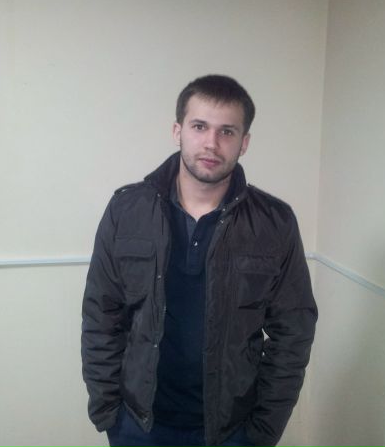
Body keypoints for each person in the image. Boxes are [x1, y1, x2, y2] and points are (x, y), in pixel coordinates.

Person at [81, 75, 317, 447]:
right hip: (138, 425)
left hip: (233, 430)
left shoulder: (274, 222)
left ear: (244, 143)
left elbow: (293, 331)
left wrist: (263, 429)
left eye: (227, 131)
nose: (211, 143)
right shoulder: (127, 210)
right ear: (178, 131)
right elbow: (101, 314)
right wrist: (108, 410)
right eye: (199, 127)